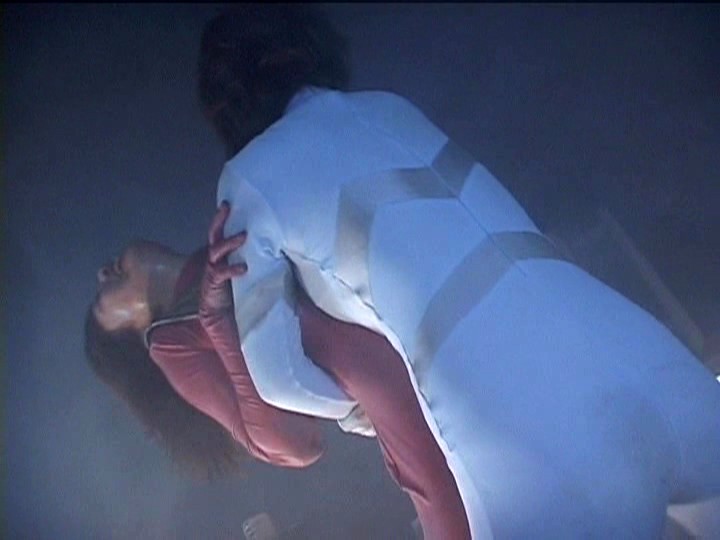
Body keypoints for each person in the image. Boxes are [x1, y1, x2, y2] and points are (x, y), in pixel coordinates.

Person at [193, 5, 720, 538]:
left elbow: (280, 381)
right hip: (640, 353)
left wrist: (364, 408)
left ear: (224, 99)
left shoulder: (248, 179)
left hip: (530, 432)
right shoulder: (390, 107)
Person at [85, 208, 470, 538]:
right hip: (382, 377)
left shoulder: (229, 230)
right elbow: (294, 444)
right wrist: (219, 321)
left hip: (409, 308)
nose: (102, 273)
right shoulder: (172, 344)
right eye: (101, 304)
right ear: (133, 336)